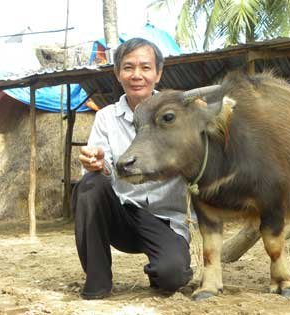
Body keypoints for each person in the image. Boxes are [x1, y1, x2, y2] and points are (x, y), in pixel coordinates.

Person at [71, 38, 193, 300]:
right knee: (89, 185)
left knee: (172, 277)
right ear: (117, 74)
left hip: (167, 219)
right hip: (123, 215)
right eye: (128, 67)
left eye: (145, 67)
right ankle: (98, 284)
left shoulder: (181, 113)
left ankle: (160, 266)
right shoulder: (106, 117)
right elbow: (100, 166)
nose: (137, 75)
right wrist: (97, 163)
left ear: (158, 73)